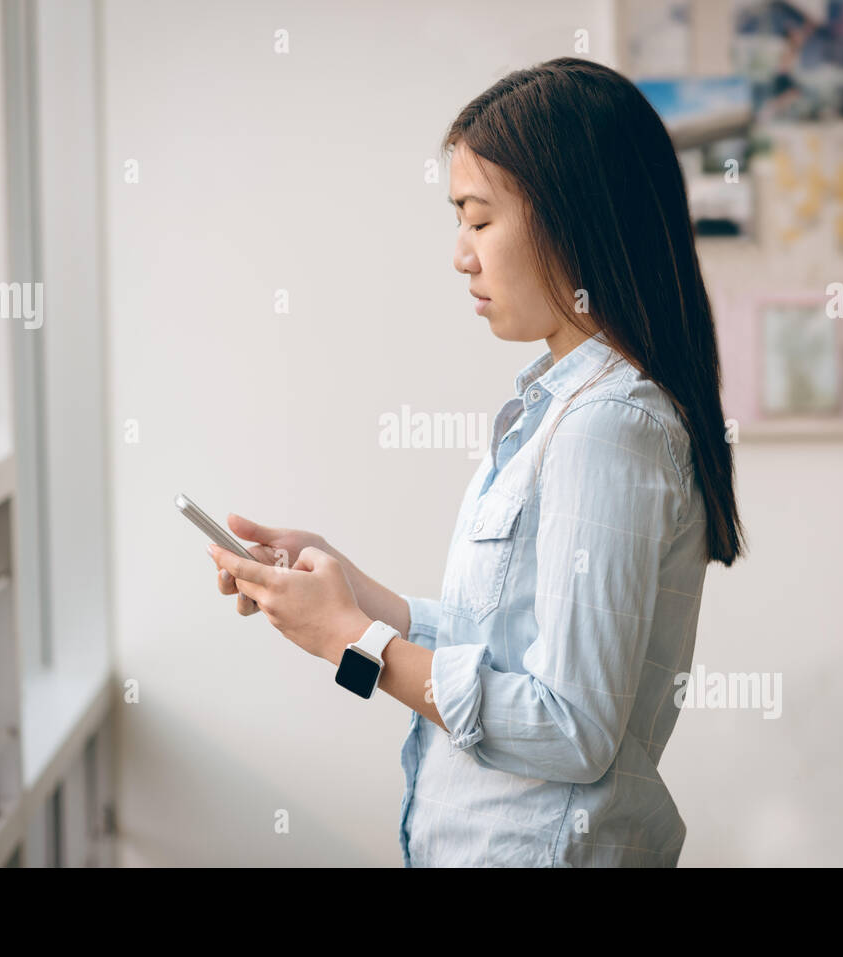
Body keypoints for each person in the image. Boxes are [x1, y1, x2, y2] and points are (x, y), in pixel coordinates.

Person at [209, 56, 745, 867]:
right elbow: (506, 649)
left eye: (479, 218)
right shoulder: (561, 411)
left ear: (573, 216)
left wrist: (349, 642)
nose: (461, 254)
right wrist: (352, 598)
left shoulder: (606, 426)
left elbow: (571, 727)